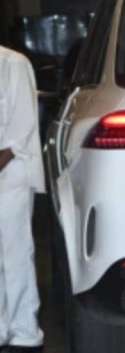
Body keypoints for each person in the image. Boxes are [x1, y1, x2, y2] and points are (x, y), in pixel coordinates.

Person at [0, 45, 45, 353]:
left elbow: (22, 128)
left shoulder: (12, 63)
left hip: (12, 173)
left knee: (15, 253)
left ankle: (25, 331)